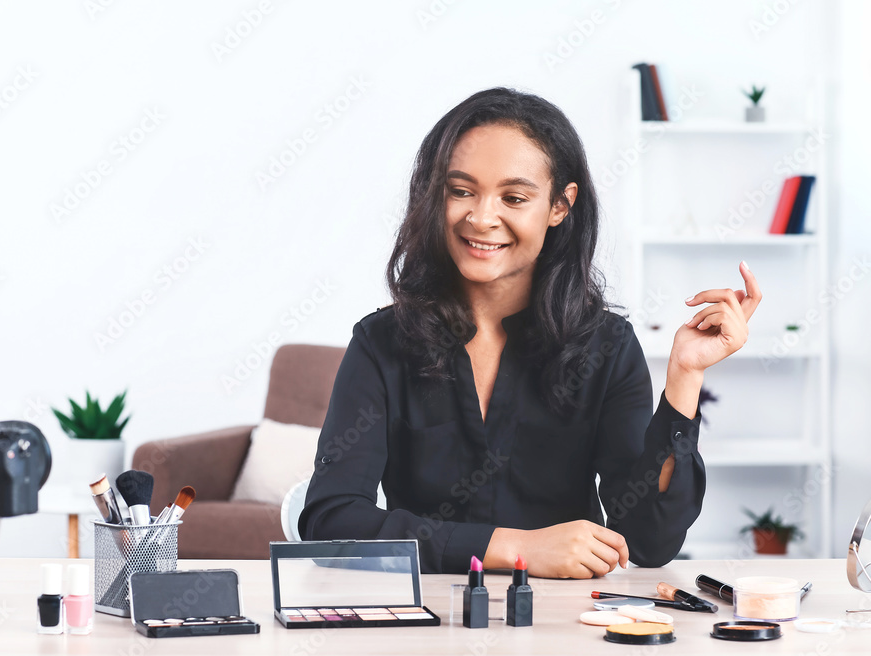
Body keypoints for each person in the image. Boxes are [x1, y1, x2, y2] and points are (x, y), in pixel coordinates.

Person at [298, 87, 761, 578]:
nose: (480, 217)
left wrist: (686, 375)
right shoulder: (381, 343)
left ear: (560, 206)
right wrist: (511, 547)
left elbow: (648, 539)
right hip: (427, 623)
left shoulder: (606, 346)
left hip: (568, 629)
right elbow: (332, 522)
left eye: (514, 197)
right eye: (460, 191)